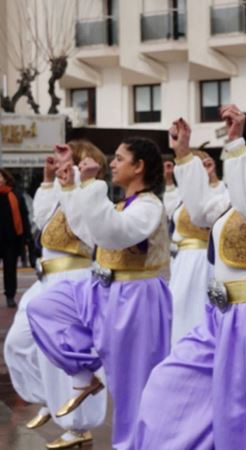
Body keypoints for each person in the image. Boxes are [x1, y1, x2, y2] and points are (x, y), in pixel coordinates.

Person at [132, 110, 246, 450]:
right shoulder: (238, 193)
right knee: (169, 383)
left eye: (243, 138)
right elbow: (200, 212)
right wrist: (184, 154)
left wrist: (237, 144)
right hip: (225, 317)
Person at [27, 137, 172, 450]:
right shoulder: (122, 205)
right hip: (104, 290)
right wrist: (70, 180)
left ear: (139, 167)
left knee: (133, 386)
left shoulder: (149, 206)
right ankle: (86, 372)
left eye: (120, 159)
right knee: (46, 307)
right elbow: (86, 228)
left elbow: (112, 232)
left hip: (138, 297)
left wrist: (90, 182)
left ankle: (133, 445)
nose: (114, 164)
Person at [4, 141, 109, 450]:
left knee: (69, 356)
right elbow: (40, 217)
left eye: (69, 161)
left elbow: (85, 227)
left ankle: (79, 428)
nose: (64, 165)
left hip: (73, 279)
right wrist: (49, 180)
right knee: (18, 344)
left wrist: (73, 183)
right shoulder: (63, 194)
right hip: (47, 279)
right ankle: (48, 399)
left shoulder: (91, 191)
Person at [163, 148, 225, 345]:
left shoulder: (218, 193)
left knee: (196, 311)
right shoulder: (182, 199)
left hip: (201, 262)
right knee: (178, 309)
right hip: (180, 264)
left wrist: (210, 178)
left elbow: (212, 211)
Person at [0, 167, 31, 308]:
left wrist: (26, 237)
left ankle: (10, 296)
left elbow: (24, 217)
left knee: (10, 270)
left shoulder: (15, 195)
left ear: (5, 178)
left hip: (11, 240)